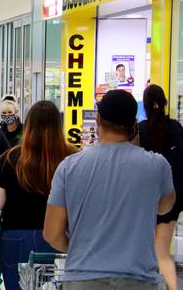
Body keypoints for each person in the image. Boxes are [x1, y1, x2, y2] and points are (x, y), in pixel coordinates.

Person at [44, 90, 176, 290]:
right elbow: (165, 207)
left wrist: (79, 249)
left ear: (97, 119)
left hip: (82, 279)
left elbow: (52, 233)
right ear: (134, 124)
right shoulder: (157, 165)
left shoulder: (69, 167)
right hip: (139, 280)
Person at [0, 100, 76, 290]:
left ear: (29, 125)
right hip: (60, 236)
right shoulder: (73, 158)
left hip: (15, 238)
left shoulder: (9, 158)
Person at [138, 84, 183, 290]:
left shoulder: (139, 131)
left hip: (144, 200)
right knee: (162, 251)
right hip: (172, 198)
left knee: (144, 252)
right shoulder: (176, 129)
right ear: (164, 103)